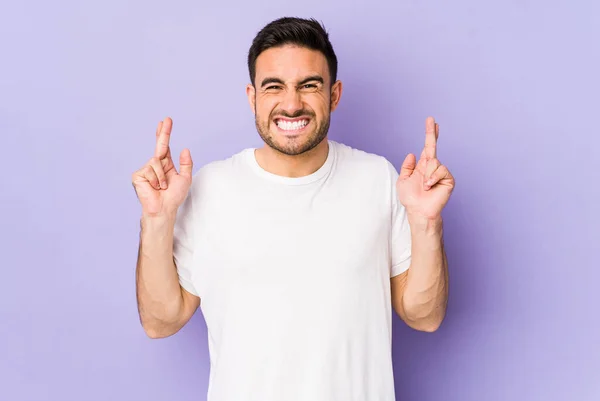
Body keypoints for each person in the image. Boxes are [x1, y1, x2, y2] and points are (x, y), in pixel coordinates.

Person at [132, 16, 454, 401]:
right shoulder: (209, 189)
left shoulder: (379, 180)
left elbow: (425, 315)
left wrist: (426, 222)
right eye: (274, 87)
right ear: (253, 97)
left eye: (309, 85)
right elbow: (160, 321)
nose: (291, 104)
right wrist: (156, 220)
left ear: (334, 95)